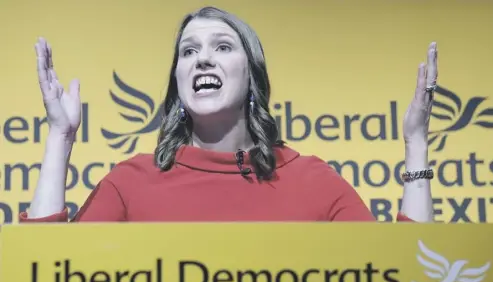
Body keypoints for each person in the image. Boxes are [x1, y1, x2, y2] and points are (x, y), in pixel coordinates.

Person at [21, 6, 436, 223]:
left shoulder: (313, 180)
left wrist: (416, 143)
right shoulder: (130, 181)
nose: (202, 59)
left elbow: (407, 281)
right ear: (178, 83)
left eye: (222, 47)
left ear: (251, 76)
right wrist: (60, 136)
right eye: (189, 51)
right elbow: (46, 275)